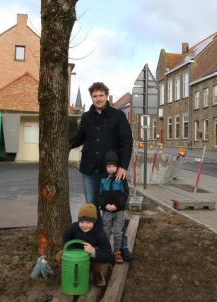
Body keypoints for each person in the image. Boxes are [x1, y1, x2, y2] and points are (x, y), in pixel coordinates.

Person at [70, 82, 134, 261]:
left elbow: (127, 142)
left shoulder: (118, 116)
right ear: (92, 98)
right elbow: (80, 137)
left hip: (112, 173)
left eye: (101, 95)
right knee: (92, 209)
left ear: (106, 96)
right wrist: (65, 143)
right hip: (89, 170)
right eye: (95, 96)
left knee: (116, 209)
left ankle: (122, 247)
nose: (98, 99)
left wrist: (123, 166)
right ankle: (98, 247)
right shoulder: (87, 117)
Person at [57, 203, 112, 286]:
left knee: (97, 255)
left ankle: (97, 273)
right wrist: (70, 249)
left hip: (90, 256)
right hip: (75, 254)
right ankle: (69, 272)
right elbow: (66, 237)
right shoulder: (74, 227)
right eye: (81, 222)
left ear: (94, 221)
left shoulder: (100, 233)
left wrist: (93, 251)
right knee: (59, 255)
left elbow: (108, 254)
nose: (84, 225)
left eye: (88, 222)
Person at [98, 151, 129, 263]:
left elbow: (125, 194)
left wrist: (117, 206)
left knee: (118, 231)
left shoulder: (121, 178)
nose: (111, 169)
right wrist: (104, 205)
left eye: (114, 166)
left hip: (119, 211)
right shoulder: (102, 179)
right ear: (105, 167)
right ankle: (106, 251)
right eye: (109, 166)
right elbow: (100, 195)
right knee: (105, 230)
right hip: (106, 211)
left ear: (117, 166)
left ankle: (117, 252)